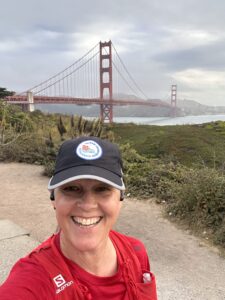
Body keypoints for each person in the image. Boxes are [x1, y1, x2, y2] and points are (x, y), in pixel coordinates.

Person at [0, 136, 157, 299]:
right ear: (54, 199)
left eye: (102, 189)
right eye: (72, 188)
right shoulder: (32, 281)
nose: (88, 205)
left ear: (120, 199)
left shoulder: (136, 252)